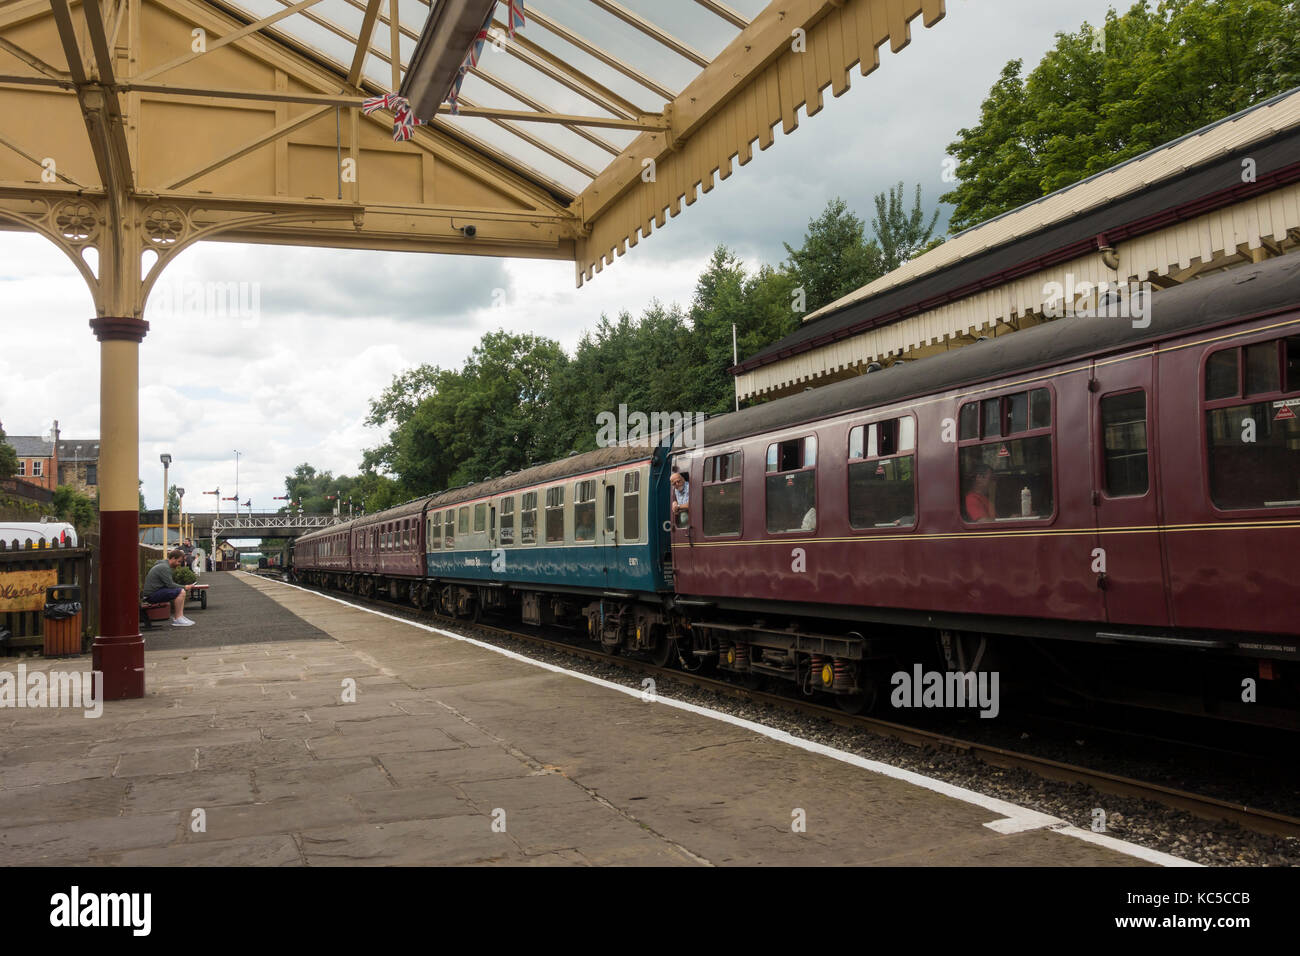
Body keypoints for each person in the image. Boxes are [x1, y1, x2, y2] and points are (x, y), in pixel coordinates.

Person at [144, 549, 195, 627]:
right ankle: (178, 618)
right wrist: (185, 586)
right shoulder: (164, 567)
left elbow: (169, 585)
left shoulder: (164, 565)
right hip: (151, 596)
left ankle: (180, 617)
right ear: (173, 558)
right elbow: (170, 585)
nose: (179, 564)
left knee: (181, 591)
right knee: (181, 591)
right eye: (179, 561)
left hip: (153, 593)